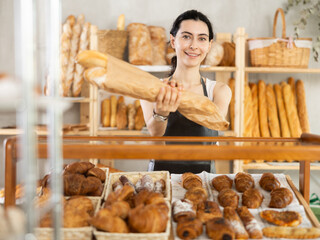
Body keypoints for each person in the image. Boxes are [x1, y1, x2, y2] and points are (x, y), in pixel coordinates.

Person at [140, 9, 231, 174]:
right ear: (173, 41)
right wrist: (161, 113)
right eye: (186, 37)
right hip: (161, 183)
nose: (194, 46)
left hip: (204, 185)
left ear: (209, 45)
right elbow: (155, 143)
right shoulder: (151, 89)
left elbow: (214, 125)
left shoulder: (219, 91)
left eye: (202, 39)